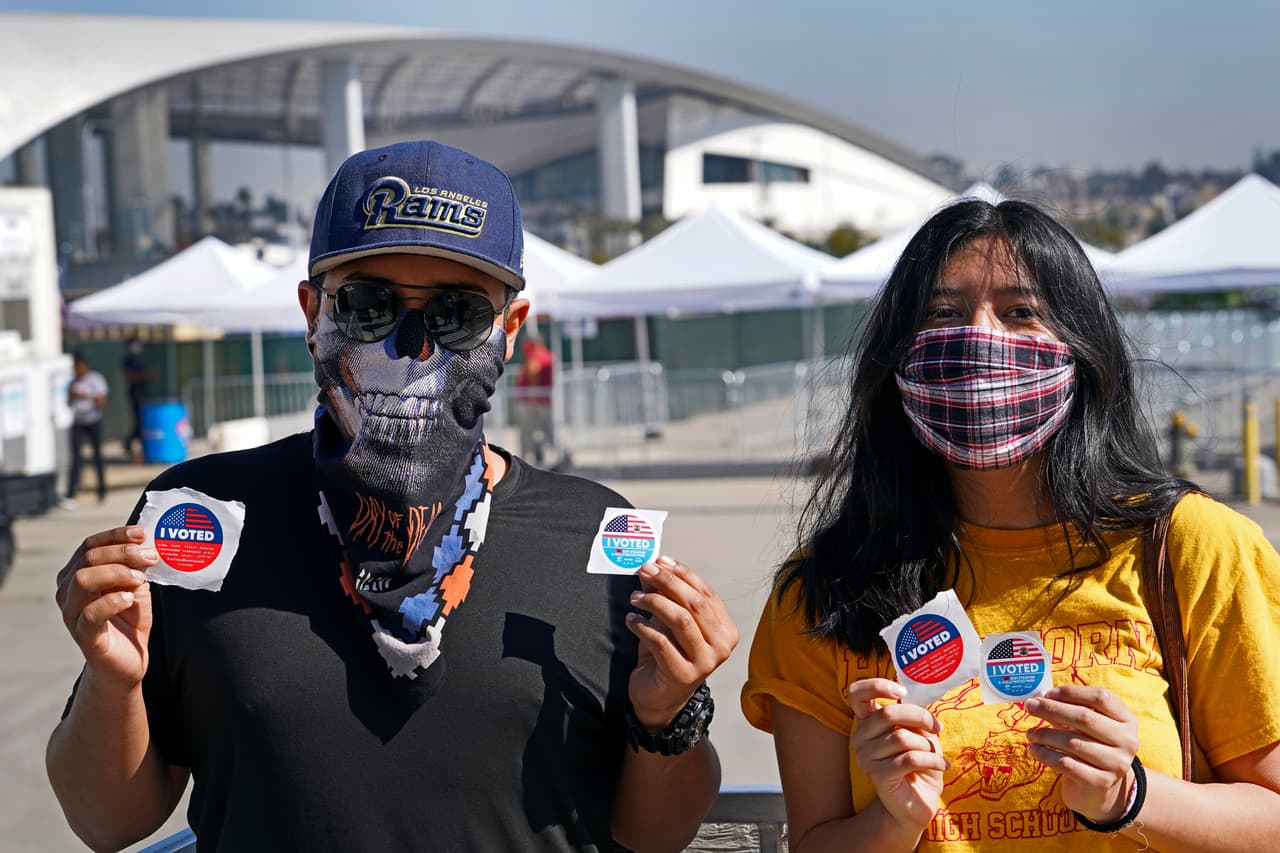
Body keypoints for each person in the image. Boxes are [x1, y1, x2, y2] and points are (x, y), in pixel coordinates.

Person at [48, 140, 738, 852]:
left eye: (458, 312)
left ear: (511, 327)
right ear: (312, 310)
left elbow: (656, 834)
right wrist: (112, 680)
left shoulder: (595, 535)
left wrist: (670, 714)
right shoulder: (200, 518)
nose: (412, 346)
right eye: (369, 304)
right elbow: (110, 821)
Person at [742, 199, 1280, 851]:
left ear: (1082, 348)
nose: (978, 339)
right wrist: (894, 818)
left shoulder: (1192, 546)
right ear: (897, 355)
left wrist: (1128, 795)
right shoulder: (824, 590)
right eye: (942, 313)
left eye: (1021, 311)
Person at [64, 351, 108, 507]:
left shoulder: (95, 380)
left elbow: (101, 402)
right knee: (76, 458)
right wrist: (72, 395)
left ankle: (102, 491)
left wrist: (83, 395)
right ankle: (70, 494)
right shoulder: (71, 382)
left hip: (93, 421)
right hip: (78, 421)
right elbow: (68, 403)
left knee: (97, 457)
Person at [516, 332, 555, 465]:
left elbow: (533, 375)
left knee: (528, 434)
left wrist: (532, 402)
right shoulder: (548, 355)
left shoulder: (536, 357)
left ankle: (525, 462)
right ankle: (553, 458)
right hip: (542, 402)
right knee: (546, 432)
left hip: (532, 403)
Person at [121, 335, 152, 463]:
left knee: (142, 422)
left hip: (143, 392)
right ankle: (129, 444)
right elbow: (130, 376)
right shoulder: (128, 360)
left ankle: (131, 444)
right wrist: (144, 375)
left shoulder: (139, 359)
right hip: (135, 393)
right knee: (139, 422)